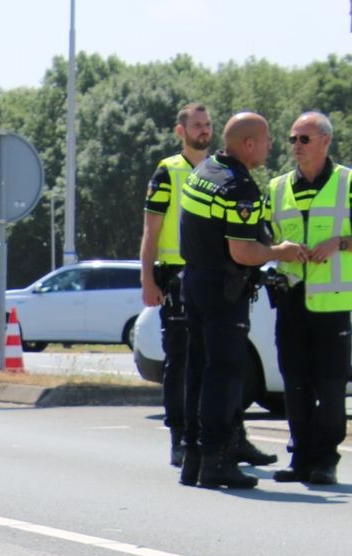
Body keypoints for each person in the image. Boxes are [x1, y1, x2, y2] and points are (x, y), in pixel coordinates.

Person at [139, 102, 275, 471]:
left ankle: (228, 439)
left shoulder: (211, 169)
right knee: (188, 362)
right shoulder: (170, 172)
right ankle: (183, 438)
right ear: (180, 131)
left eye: (208, 124)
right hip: (181, 277)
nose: (204, 130)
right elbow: (151, 230)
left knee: (216, 363)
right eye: (197, 125)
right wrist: (147, 277)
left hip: (207, 277)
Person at [177, 112, 306, 490]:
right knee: (225, 374)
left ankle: (194, 459)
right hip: (222, 290)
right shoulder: (238, 187)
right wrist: (280, 251)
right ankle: (217, 460)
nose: (271, 146)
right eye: (266, 139)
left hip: (196, 282)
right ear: (249, 144)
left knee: (199, 370)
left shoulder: (205, 170)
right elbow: (242, 251)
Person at [265, 111, 352, 486]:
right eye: (292, 140)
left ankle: (326, 459)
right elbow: (264, 239)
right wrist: (279, 250)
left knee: (330, 387)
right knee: (295, 383)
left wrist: (339, 243)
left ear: (325, 142)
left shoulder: (350, 182)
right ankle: (300, 457)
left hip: (332, 304)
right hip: (291, 300)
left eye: (304, 139)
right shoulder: (278, 187)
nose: (296, 147)